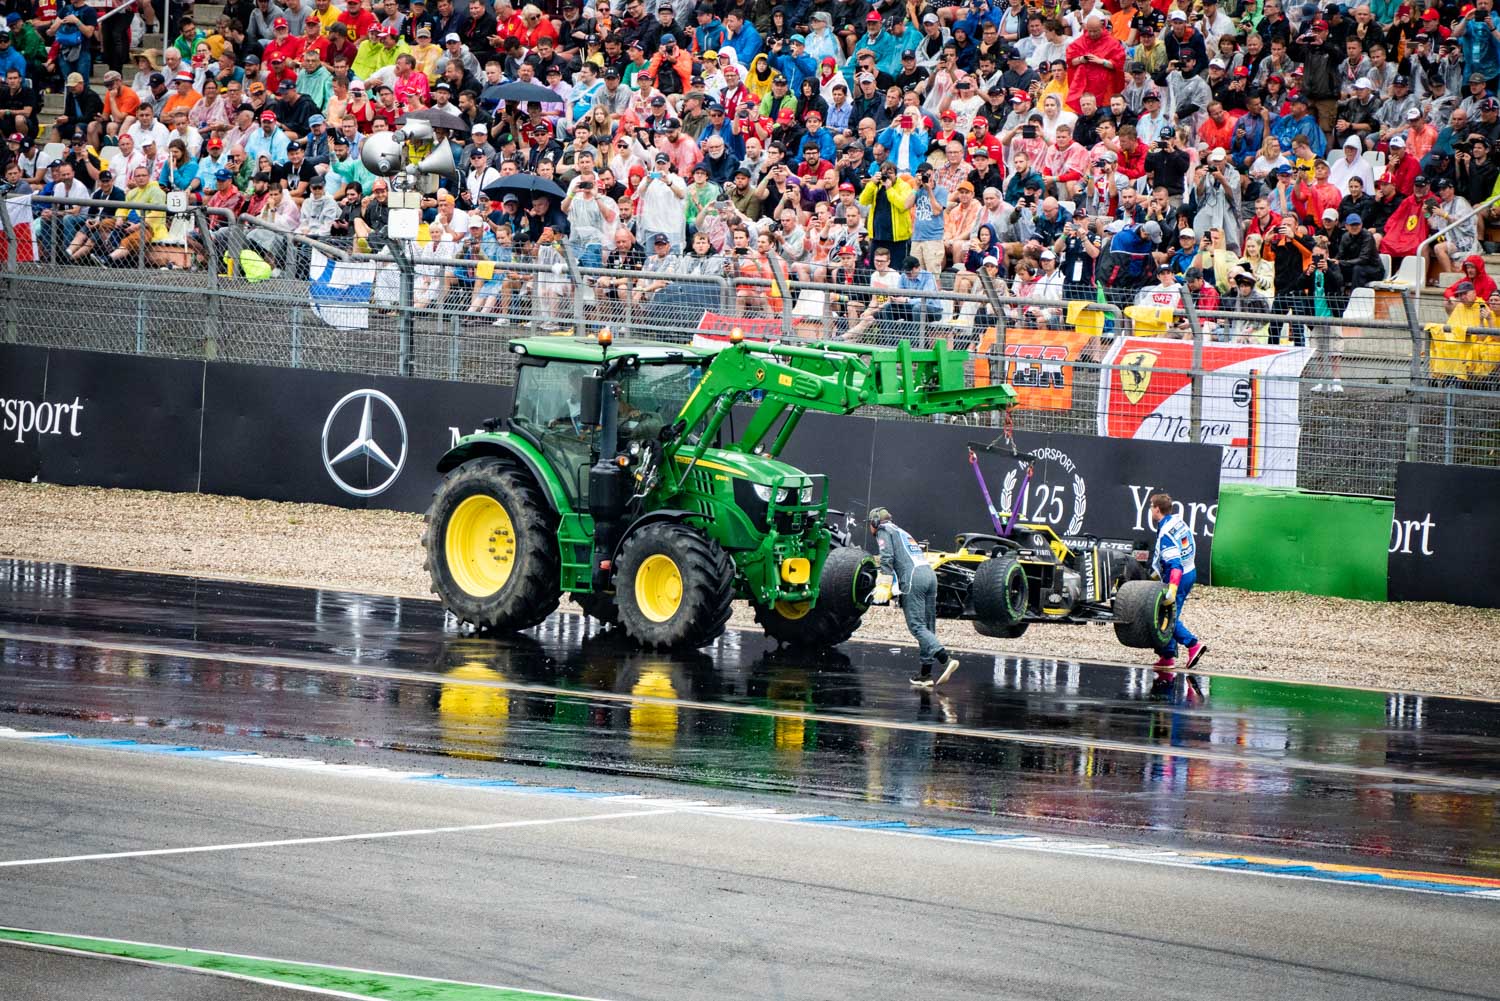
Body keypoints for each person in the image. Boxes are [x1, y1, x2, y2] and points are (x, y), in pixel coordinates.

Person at [868, 506, 958, 688]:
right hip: (930, 575)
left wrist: (884, 584)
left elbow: (887, 557)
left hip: (913, 579)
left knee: (917, 626)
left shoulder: (883, 531)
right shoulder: (902, 531)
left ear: (875, 522)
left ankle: (945, 659)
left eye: (870, 525)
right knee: (927, 626)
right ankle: (925, 674)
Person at [1148, 492, 1206, 671]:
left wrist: (1172, 589)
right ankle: (1167, 656)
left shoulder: (1166, 533)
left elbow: (1175, 565)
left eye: (1151, 506)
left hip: (1179, 577)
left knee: (1166, 617)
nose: (1150, 509)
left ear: (1157, 509)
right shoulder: (1177, 521)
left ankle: (1193, 645)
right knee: (1169, 614)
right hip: (1191, 571)